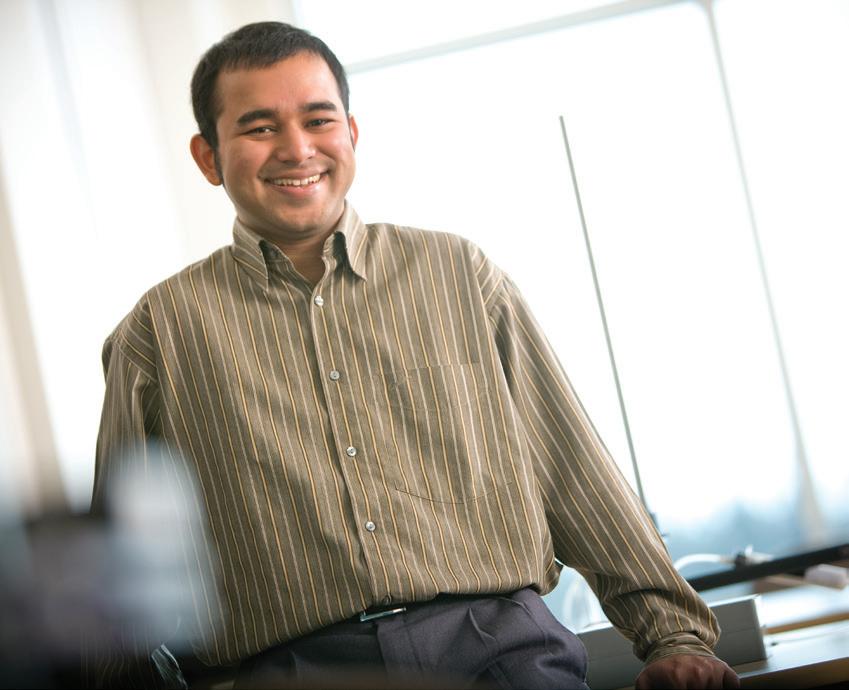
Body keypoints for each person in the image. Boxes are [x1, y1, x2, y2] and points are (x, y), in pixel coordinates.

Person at [93, 21, 740, 690]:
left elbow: (572, 468)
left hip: (501, 651)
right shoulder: (158, 332)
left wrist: (672, 637)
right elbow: (114, 569)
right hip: (296, 670)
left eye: (318, 120)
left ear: (351, 133)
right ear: (208, 157)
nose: (296, 148)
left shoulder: (460, 275)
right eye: (259, 128)